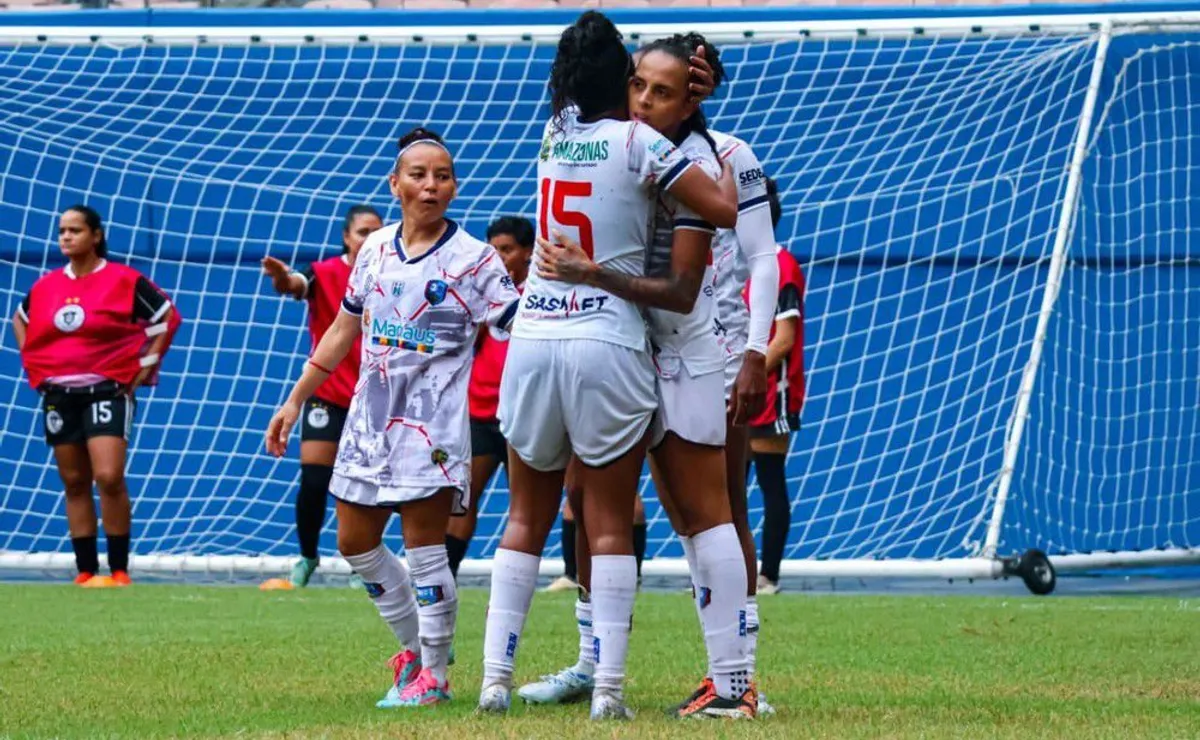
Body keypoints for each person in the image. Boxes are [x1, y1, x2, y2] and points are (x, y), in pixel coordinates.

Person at [478, 10, 737, 721]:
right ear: (626, 83)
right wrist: (693, 118)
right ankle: (611, 693)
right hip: (607, 339)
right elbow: (719, 205)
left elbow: (583, 72)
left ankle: (493, 681)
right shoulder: (641, 144)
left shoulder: (554, 132)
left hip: (531, 339)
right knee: (610, 521)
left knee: (525, 517)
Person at [265, 127, 520, 709]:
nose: (431, 186)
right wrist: (296, 398)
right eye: (419, 175)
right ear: (395, 183)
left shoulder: (475, 259)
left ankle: (434, 676)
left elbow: (517, 327)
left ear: (455, 187)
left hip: (431, 427)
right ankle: (419, 647)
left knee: (424, 547)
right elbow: (341, 330)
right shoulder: (375, 248)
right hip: (367, 419)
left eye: (443, 175)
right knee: (354, 542)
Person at [12, 205, 181, 587]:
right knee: (74, 481)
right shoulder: (46, 285)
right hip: (59, 393)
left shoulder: (123, 280)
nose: (66, 237)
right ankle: (85, 570)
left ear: (96, 236)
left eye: (75, 230)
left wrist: (146, 364)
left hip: (107, 390)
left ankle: (119, 569)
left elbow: (167, 317)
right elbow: (20, 319)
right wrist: (34, 364)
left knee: (108, 476)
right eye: (62, 231)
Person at [261, 205, 383, 588]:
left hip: (375, 396)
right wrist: (282, 280)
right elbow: (297, 285)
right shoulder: (325, 272)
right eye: (363, 232)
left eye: (376, 231)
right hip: (327, 392)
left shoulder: (395, 272)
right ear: (347, 237)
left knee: (366, 486)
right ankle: (308, 557)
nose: (369, 239)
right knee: (315, 480)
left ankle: (363, 565)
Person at [444, 215, 533, 578]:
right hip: (479, 414)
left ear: (528, 252)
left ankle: (523, 579)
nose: (499, 257)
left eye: (507, 250)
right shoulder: (479, 295)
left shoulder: (540, 295)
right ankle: (444, 578)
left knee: (526, 509)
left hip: (524, 416)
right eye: (493, 249)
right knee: (462, 501)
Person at [746, 178, 805, 596]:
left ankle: (769, 576)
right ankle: (730, 576)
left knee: (768, 480)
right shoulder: (734, 266)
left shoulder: (782, 266)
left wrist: (742, 377)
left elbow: (783, 341)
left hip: (770, 393)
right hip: (736, 392)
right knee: (726, 487)